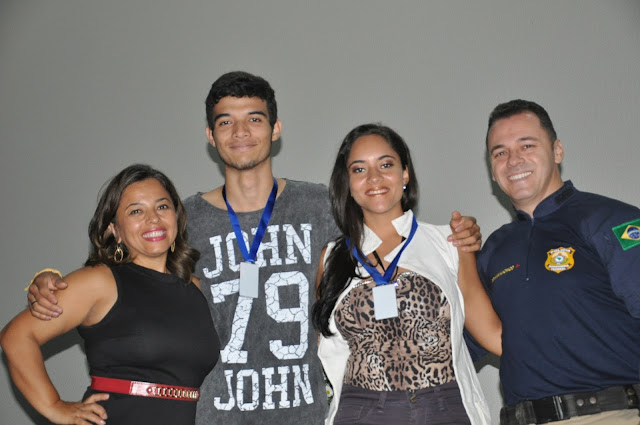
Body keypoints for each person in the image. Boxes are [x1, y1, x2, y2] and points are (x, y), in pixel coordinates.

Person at [26, 71, 481, 425]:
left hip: (306, 414)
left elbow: (395, 233)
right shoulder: (181, 219)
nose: (240, 131)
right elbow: (125, 273)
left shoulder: (323, 206)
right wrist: (46, 279)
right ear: (211, 135)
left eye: (254, 119)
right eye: (226, 121)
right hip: (215, 415)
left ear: (276, 128)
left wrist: (459, 236)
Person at [0, 164, 220, 425]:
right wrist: (54, 406)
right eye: (136, 211)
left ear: (176, 216)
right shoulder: (100, 281)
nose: (153, 219)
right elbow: (17, 337)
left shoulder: (198, 290)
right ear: (114, 229)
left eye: (162, 206)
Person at [312, 123, 501, 425]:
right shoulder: (330, 258)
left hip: (445, 410)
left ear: (405, 174)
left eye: (386, 165)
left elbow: (491, 333)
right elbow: (321, 347)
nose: (374, 178)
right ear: (347, 183)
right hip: (360, 411)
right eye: (359, 169)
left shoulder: (450, 243)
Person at [473, 99, 640, 425]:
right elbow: (454, 344)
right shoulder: (493, 250)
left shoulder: (613, 221)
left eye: (527, 145)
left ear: (557, 151)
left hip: (607, 415)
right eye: (500, 153)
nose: (513, 160)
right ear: (492, 170)